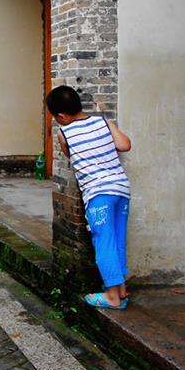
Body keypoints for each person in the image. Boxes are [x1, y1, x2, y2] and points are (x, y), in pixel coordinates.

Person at [45, 85, 132, 310]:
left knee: (104, 242)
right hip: (121, 190)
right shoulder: (103, 122)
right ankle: (121, 289)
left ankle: (112, 296)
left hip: (98, 194)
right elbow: (124, 145)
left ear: (61, 116)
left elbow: (69, 154)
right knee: (118, 239)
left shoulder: (64, 133)